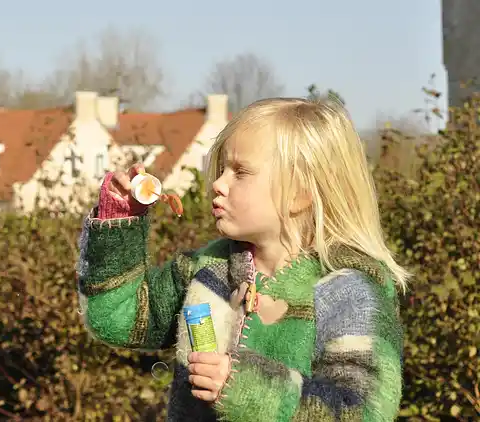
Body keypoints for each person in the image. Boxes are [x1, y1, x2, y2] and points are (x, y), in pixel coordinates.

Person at [75, 97, 407, 421]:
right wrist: (117, 223)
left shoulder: (349, 293)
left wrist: (244, 387)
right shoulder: (208, 270)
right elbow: (115, 319)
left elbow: (364, 408)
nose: (218, 184)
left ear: (299, 194)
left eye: (240, 172)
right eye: (221, 170)